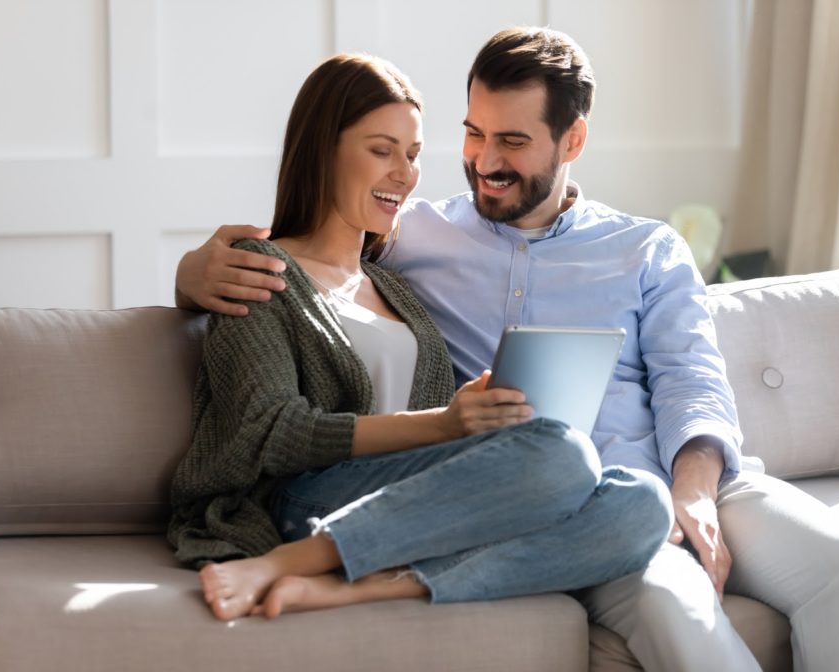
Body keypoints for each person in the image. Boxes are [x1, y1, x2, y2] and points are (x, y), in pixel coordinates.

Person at [175, 29, 839, 671]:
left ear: (571, 142)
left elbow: (691, 381)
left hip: (676, 483)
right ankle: (325, 570)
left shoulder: (645, 248)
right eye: (473, 134)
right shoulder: (415, 235)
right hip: (537, 488)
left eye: (512, 142)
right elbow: (308, 259)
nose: (484, 162)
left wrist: (695, 492)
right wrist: (192, 276)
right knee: (669, 592)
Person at [167, 52, 671, 622]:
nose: (405, 174)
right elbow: (269, 434)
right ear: (323, 149)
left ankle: (364, 586)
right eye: (382, 150)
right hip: (306, 496)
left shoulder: (395, 282)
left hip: (417, 497)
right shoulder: (261, 269)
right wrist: (444, 424)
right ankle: (291, 560)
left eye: (412, 155)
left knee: (643, 504)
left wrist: (476, 427)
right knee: (563, 453)